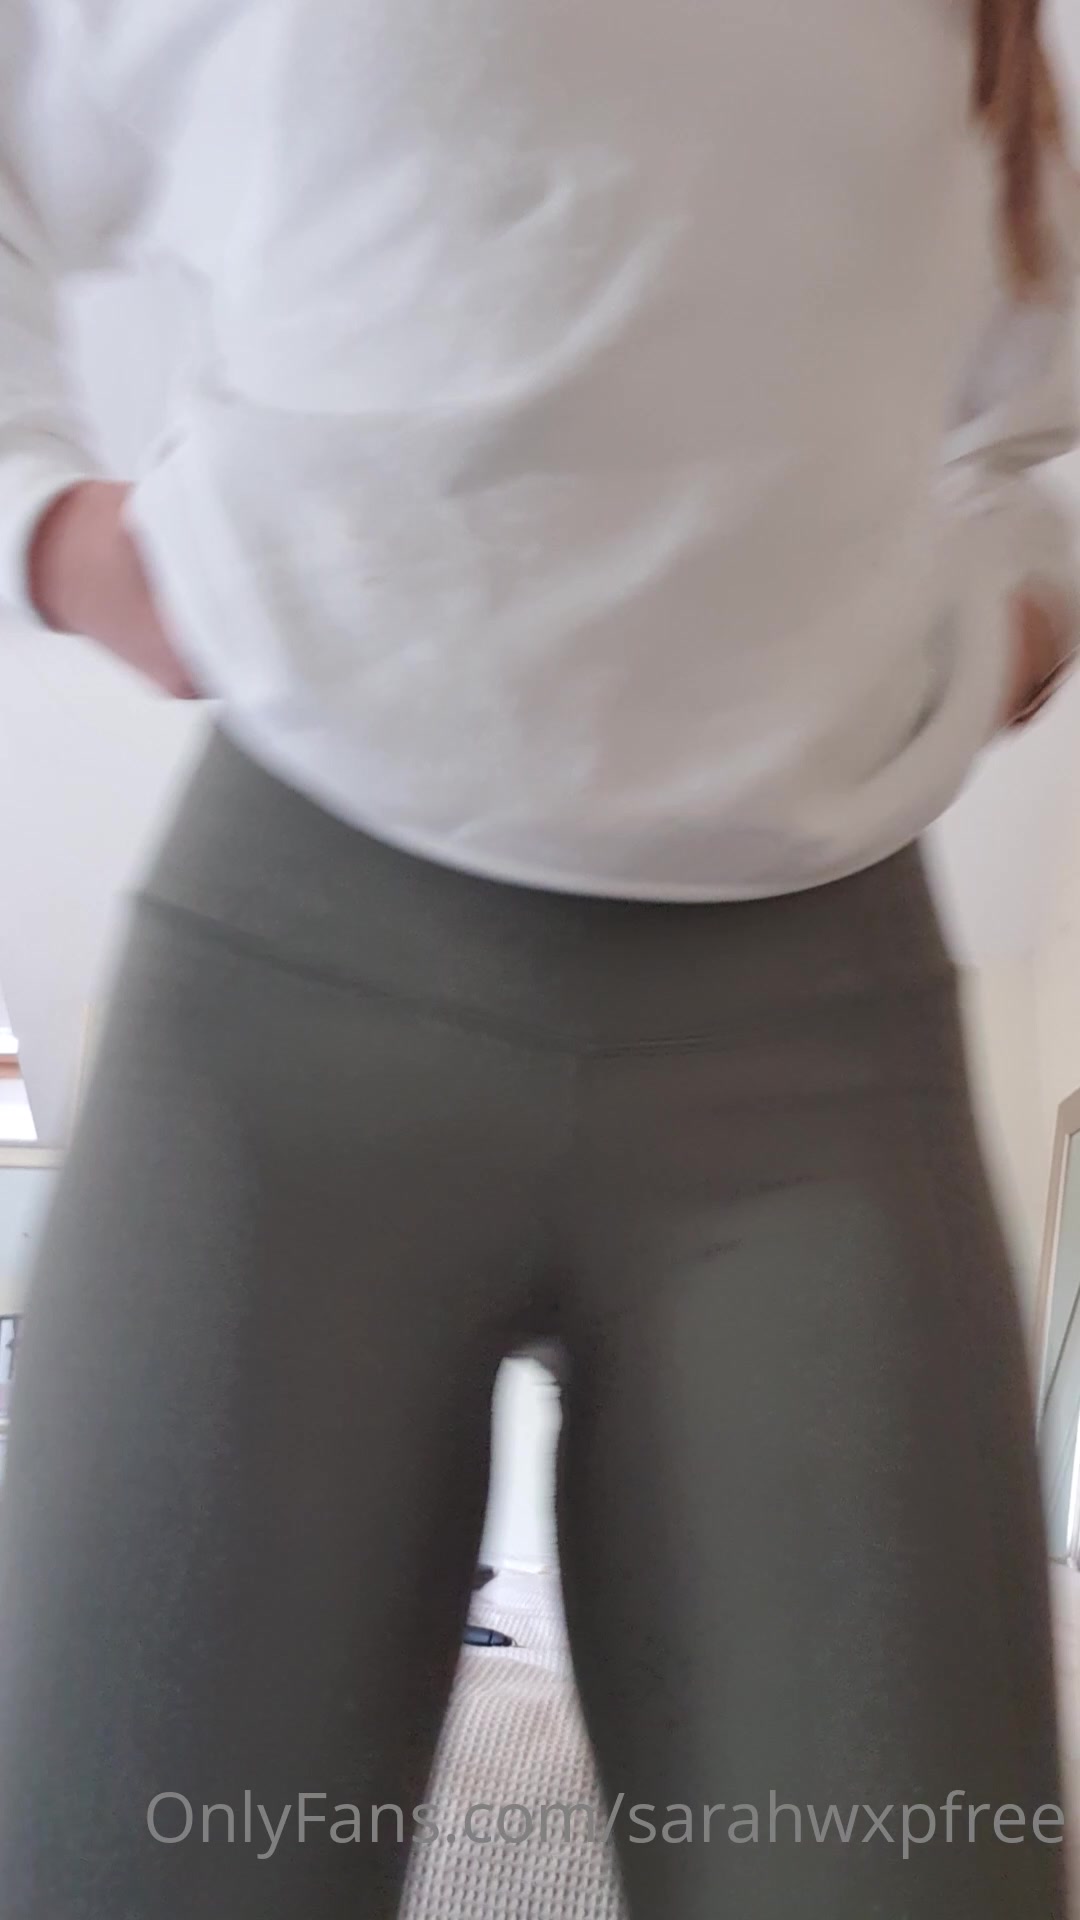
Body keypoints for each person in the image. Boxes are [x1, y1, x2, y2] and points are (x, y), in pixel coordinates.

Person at [0, 0, 1076, 1914]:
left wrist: (1021, 604)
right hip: (292, 1012)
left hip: (813, 1053)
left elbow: (1031, 388)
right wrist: (48, 524)